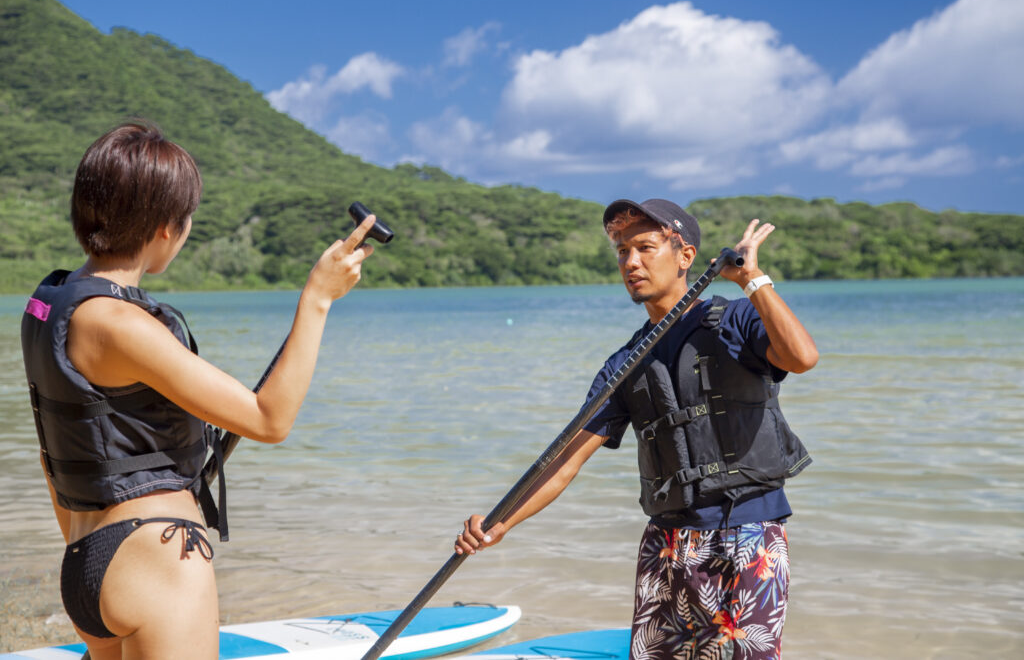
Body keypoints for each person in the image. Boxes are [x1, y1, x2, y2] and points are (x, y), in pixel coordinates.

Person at [21, 122, 376, 660]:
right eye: (185, 220)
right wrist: (317, 299)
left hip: (87, 557)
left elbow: (57, 453)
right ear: (166, 228)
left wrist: (85, 551)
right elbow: (268, 419)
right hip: (157, 561)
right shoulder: (121, 325)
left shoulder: (48, 307)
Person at [456, 198, 818, 659]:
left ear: (685, 255)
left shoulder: (737, 320)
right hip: (665, 545)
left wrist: (752, 280)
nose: (631, 262)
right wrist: (498, 524)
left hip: (745, 536)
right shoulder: (623, 364)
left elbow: (802, 358)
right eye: (622, 252)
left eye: (645, 247)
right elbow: (565, 463)